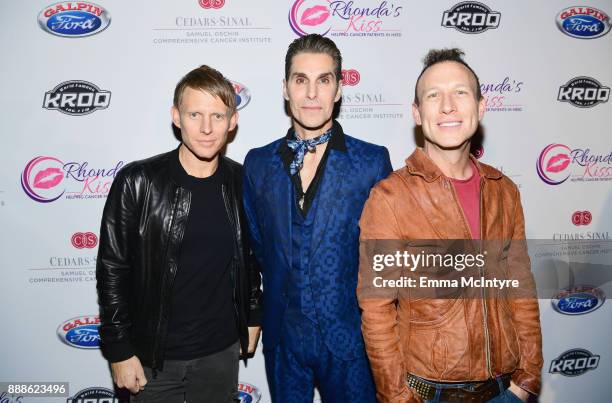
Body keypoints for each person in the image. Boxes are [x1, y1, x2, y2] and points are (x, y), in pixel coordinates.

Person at [358, 48, 542, 403]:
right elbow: (376, 309)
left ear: (481, 106)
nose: (447, 106)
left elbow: (521, 286)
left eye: (460, 92)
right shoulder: (391, 197)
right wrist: (397, 398)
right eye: (433, 95)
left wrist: (528, 377)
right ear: (417, 113)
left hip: (507, 390)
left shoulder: (504, 191)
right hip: (430, 394)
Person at [96, 65, 262, 403]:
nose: (205, 128)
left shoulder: (242, 182)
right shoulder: (137, 182)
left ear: (232, 122)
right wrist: (118, 350)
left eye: (217, 116)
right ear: (176, 117)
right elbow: (112, 271)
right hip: (151, 358)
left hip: (220, 354)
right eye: (194, 114)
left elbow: (250, 258)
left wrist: (253, 315)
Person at [242, 34, 392, 402]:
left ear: (339, 89)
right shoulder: (258, 164)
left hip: (351, 340)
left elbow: (386, 261)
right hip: (283, 339)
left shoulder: (371, 162)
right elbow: (253, 248)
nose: (312, 93)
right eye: (301, 80)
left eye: (324, 80)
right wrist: (254, 314)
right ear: (285, 89)